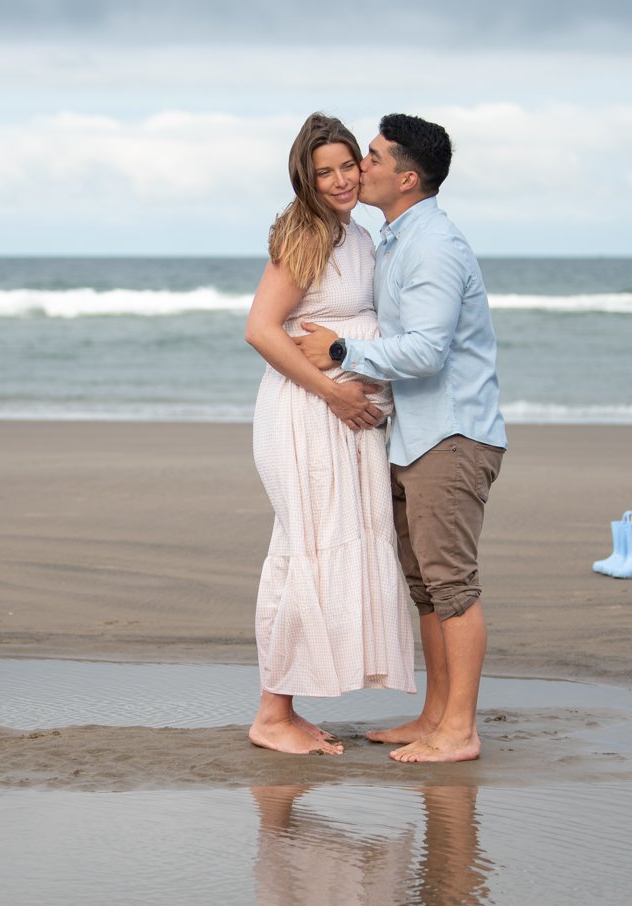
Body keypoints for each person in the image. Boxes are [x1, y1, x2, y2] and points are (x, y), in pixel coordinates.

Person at [296, 113, 506, 764]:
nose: (362, 165)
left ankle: (459, 731)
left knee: (452, 586)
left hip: (451, 434)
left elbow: (427, 352)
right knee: (425, 586)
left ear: (408, 178)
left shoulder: (434, 246)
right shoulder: (394, 239)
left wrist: (337, 348)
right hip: (415, 435)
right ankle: (434, 716)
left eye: (376, 157)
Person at [243, 112, 416, 756]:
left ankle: (285, 707)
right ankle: (271, 714)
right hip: (307, 415)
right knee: (305, 549)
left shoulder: (360, 234)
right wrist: (336, 395)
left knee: (332, 545)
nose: (342, 180)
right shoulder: (308, 232)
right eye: (325, 172)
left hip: (344, 415)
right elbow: (261, 329)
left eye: (349, 165)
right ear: (305, 180)